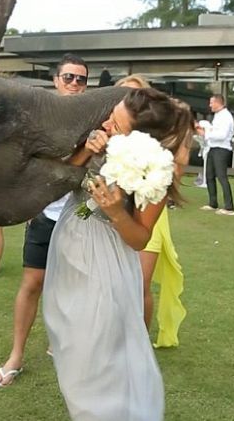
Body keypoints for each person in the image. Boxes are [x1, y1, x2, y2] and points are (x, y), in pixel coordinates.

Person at [43, 88, 193, 420]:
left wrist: (118, 214)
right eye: (112, 115)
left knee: (94, 355)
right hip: (69, 243)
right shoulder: (96, 136)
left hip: (104, 262)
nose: (108, 123)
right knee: (70, 348)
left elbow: (140, 239)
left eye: (118, 123)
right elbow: (55, 181)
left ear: (141, 137)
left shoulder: (155, 171)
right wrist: (84, 151)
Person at [0, 53, 88, 387]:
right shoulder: (39, 121)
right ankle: (16, 355)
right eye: (69, 78)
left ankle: (61, 342)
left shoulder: (95, 121)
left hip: (81, 218)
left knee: (75, 288)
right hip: (45, 217)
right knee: (32, 284)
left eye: (81, 79)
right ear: (56, 80)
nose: (75, 84)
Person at [116, 76, 188, 345]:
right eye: (124, 97)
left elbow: (178, 164)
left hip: (150, 216)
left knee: (139, 285)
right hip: (111, 218)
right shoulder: (106, 135)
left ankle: (140, 344)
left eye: (136, 96)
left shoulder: (158, 148)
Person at [197, 94, 234, 216]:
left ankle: (229, 207)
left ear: (218, 103)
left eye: (211, 102)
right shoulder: (217, 116)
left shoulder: (226, 116)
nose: (210, 105)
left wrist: (206, 133)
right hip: (213, 148)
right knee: (209, 175)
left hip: (222, 149)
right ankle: (213, 203)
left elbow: (222, 135)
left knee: (221, 177)